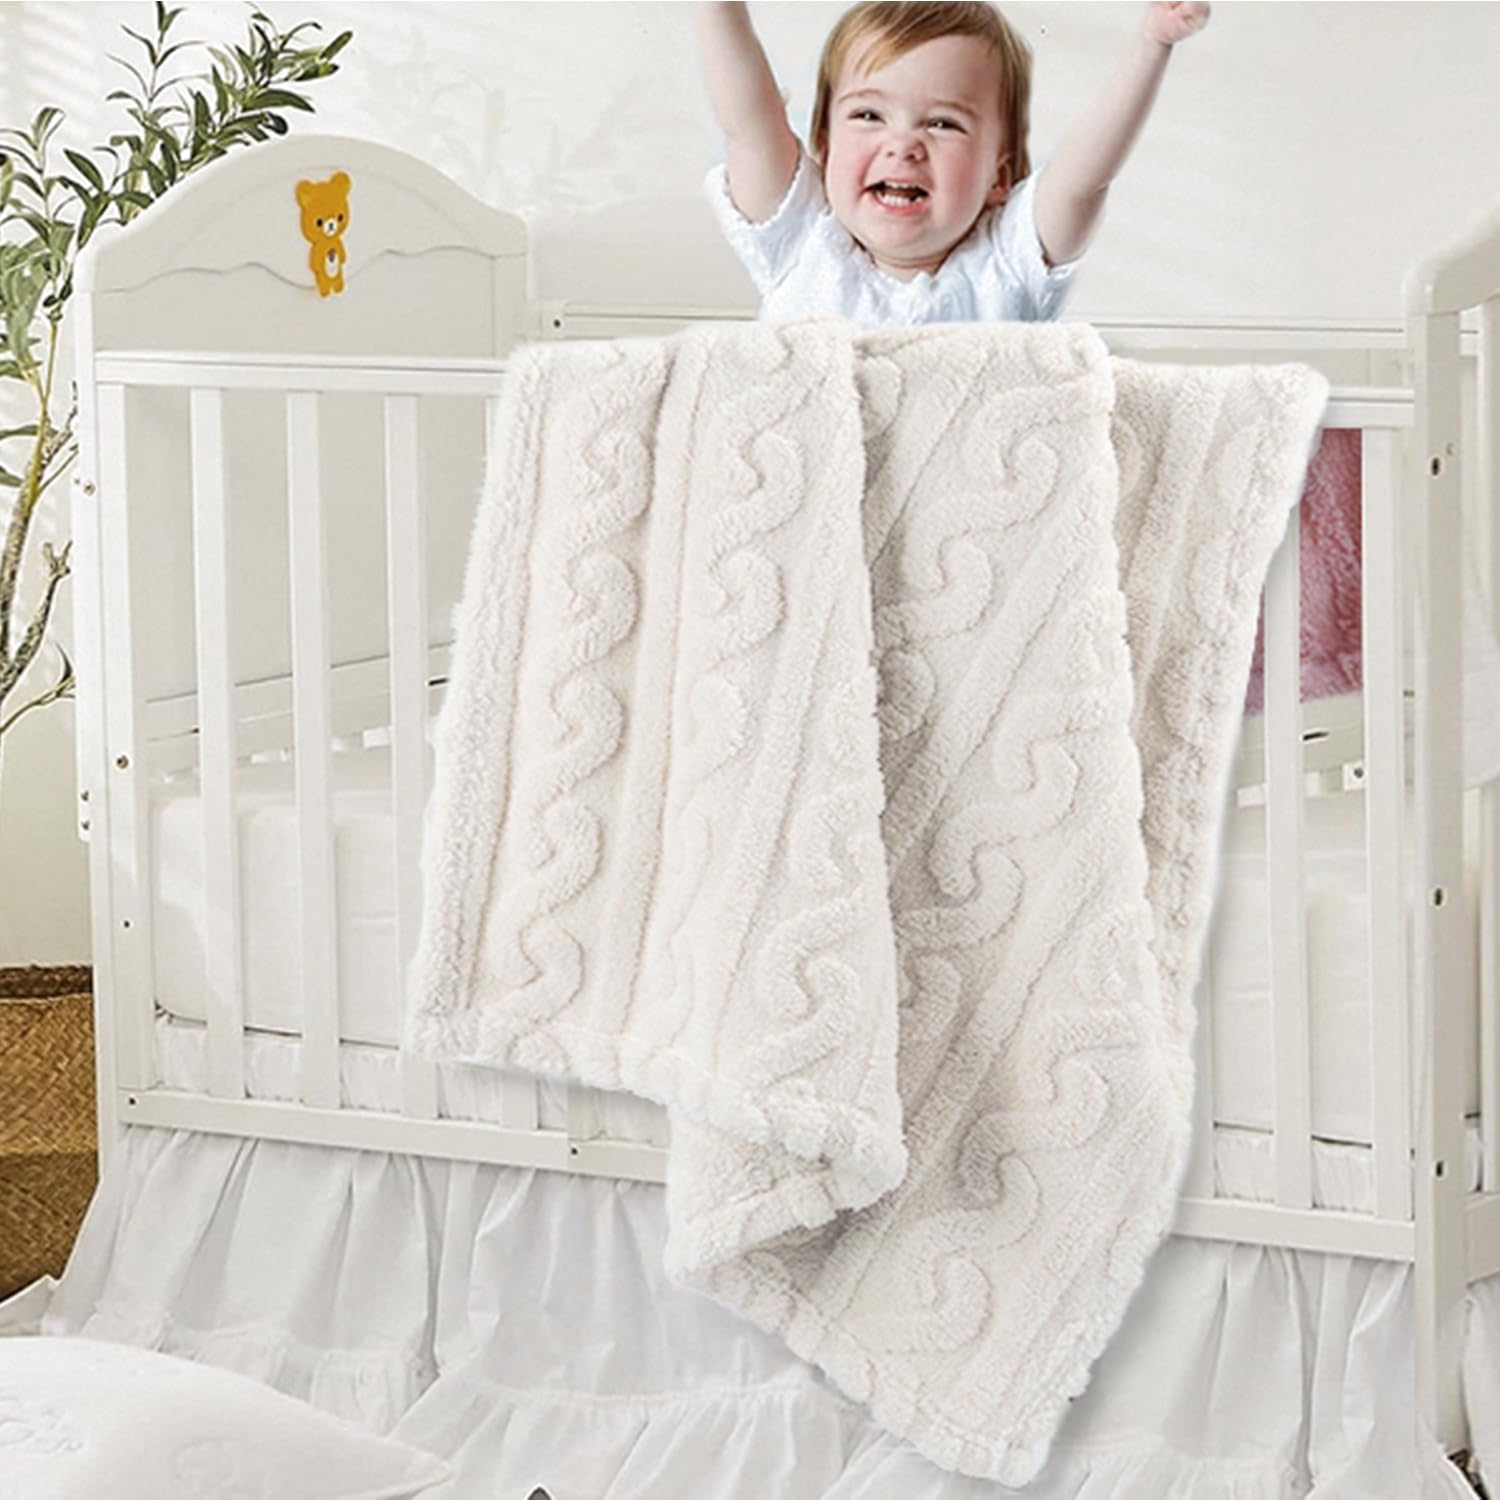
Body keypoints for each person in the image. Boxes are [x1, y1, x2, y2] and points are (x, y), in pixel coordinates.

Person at [697, 0, 1210, 326]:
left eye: (942, 123)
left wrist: (1153, 44)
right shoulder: (803, 241)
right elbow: (749, 124)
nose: (903, 145)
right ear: (825, 150)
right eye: (869, 115)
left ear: (999, 177)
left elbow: (1084, 180)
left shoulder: (1006, 265)